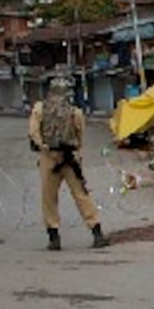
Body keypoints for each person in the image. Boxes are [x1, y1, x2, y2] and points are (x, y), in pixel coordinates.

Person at [28, 77, 109, 250]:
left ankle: (54, 238)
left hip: (49, 159)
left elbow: (33, 133)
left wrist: (46, 149)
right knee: (81, 195)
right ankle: (97, 233)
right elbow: (80, 137)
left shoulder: (39, 108)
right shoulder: (75, 112)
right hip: (70, 159)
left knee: (49, 198)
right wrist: (73, 152)